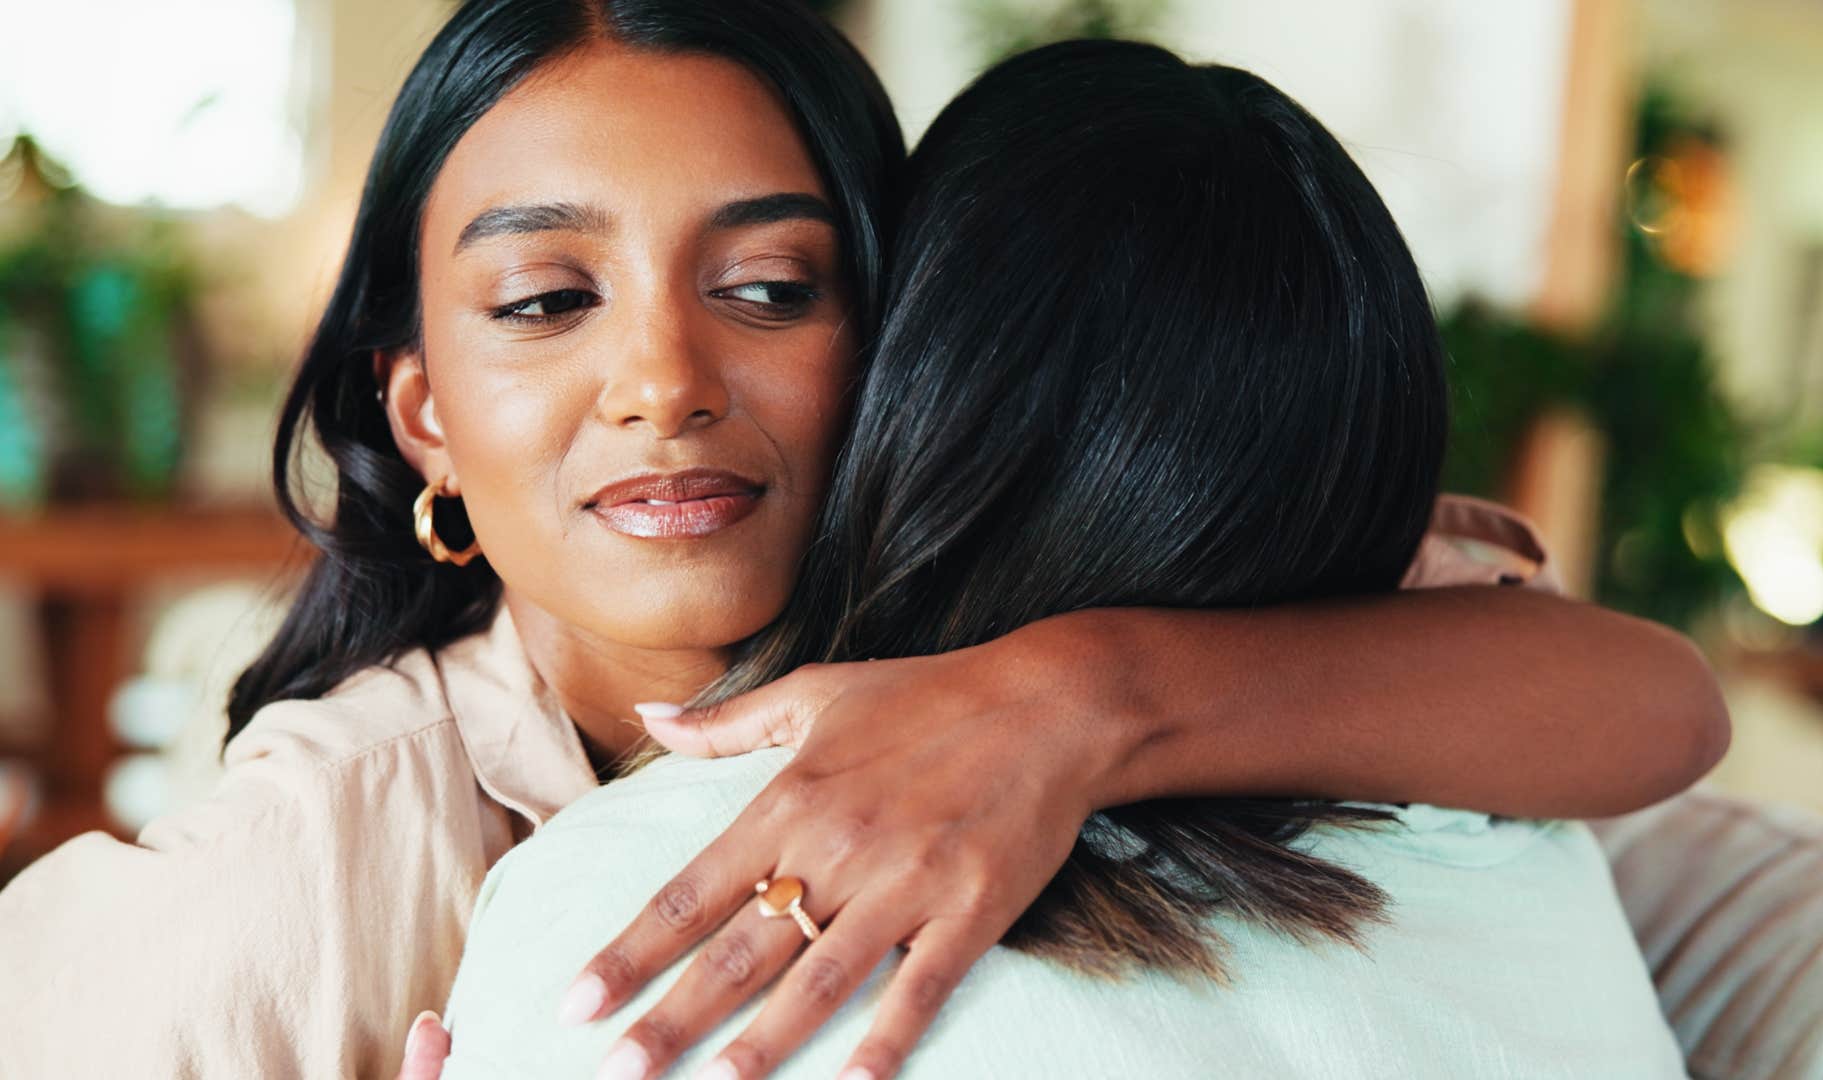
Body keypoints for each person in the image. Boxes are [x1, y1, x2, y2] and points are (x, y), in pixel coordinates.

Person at [0, 3, 1719, 1077]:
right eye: (544, 300)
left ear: (914, 347)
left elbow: (1646, 696)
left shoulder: (1066, 600)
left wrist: (1085, 698)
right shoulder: (302, 868)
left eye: (768, 288)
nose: (663, 383)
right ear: (424, 413)